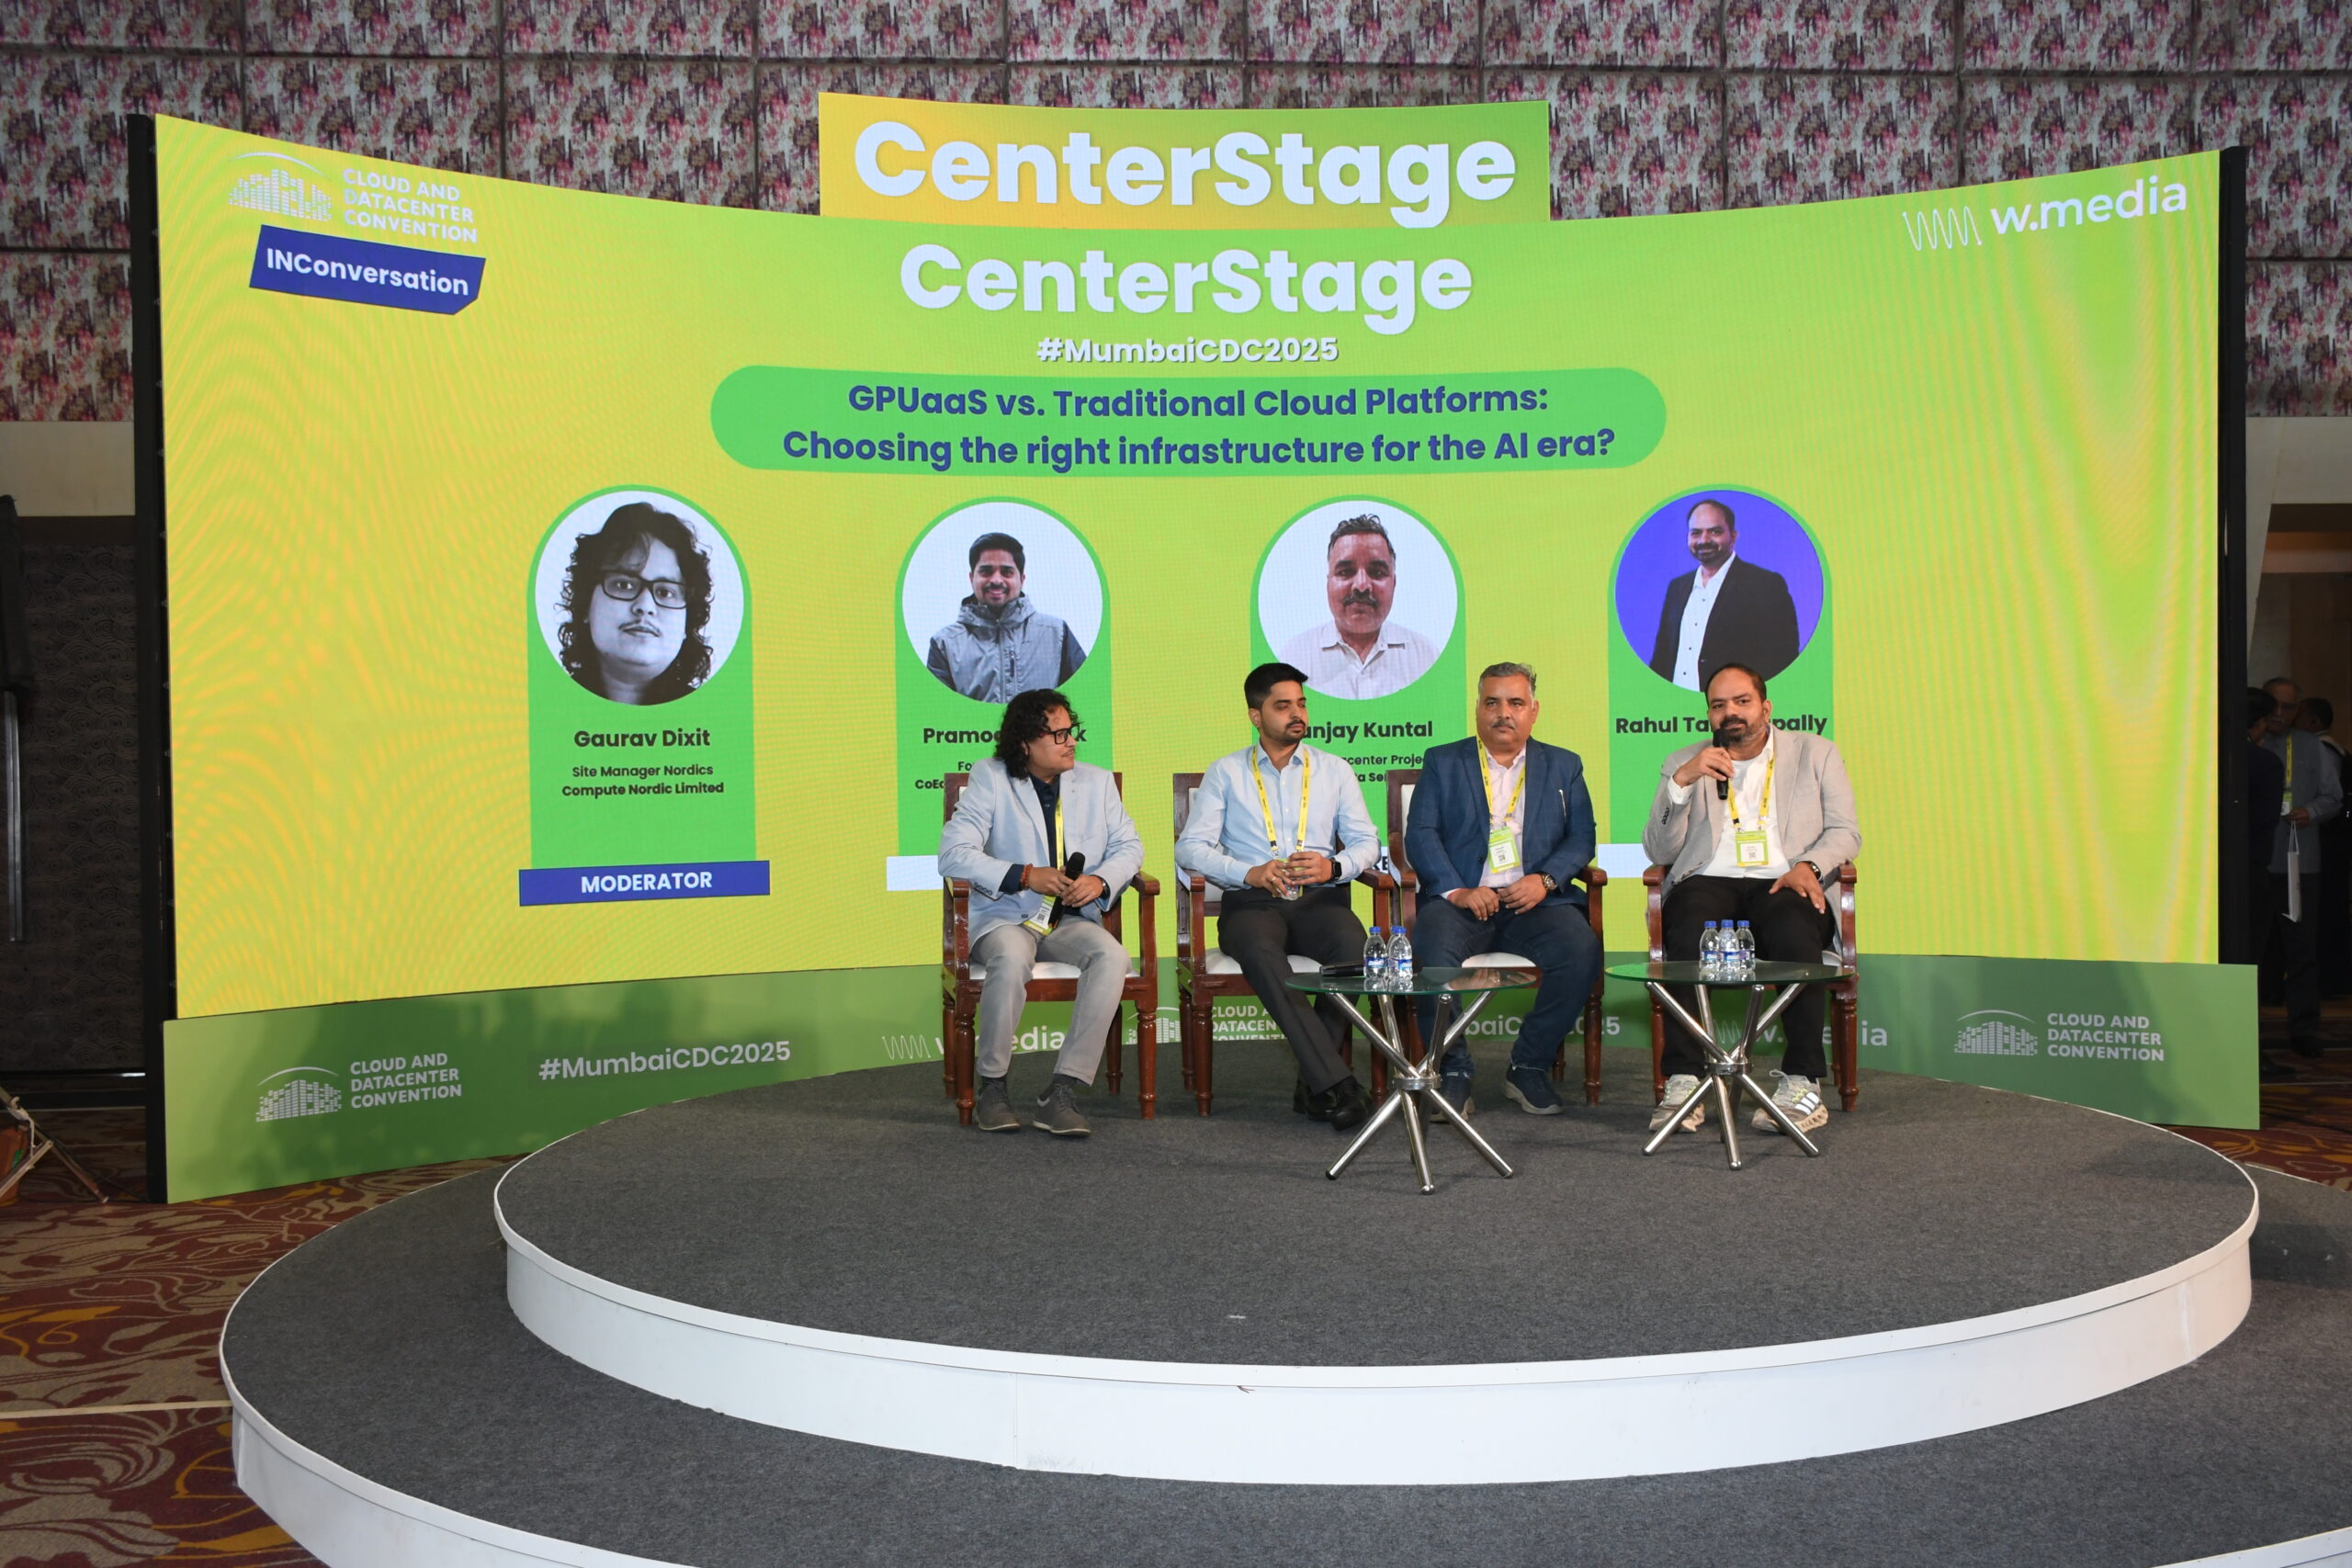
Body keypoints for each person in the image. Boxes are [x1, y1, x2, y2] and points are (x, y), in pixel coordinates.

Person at [1641, 663, 1860, 1135]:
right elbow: (1659, 852)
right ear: (1709, 715)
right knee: (1687, 923)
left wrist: (1810, 866)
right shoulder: (1685, 760)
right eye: (1718, 705)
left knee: (1793, 926)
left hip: (1785, 878)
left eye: (1742, 701)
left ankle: (1802, 1082)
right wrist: (1681, 784)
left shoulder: (1815, 753)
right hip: (1710, 878)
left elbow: (1845, 832)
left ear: (1766, 707)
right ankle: (1684, 1080)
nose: (1731, 713)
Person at [1176, 662, 1379, 1132]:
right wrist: (1248, 872)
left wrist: (1333, 867)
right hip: (1253, 903)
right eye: (1283, 705)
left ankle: (1319, 1084)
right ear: (1256, 715)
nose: (1297, 714)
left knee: (1353, 950)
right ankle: (1338, 1084)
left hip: (1320, 900)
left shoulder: (1335, 770)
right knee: (1262, 954)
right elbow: (1190, 847)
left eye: (1301, 704)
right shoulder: (1226, 772)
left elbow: (1366, 842)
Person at [937, 688, 1141, 1135]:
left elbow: (1129, 847)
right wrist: (1025, 875)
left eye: (1072, 731)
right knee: (1012, 957)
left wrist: (1100, 881)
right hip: (1006, 914)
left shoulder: (1097, 782)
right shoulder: (991, 778)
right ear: (1026, 742)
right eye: (1059, 734)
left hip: (1069, 918)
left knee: (1112, 956)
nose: (1071, 742)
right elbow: (953, 855)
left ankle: (1061, 1090)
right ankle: (993, 1086)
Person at [1404, 663, 1602, 1117]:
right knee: (1431, 953)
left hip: (1536, 902)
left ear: (1534, 710)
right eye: (1492, 702)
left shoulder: (1564, 765)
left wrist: (1545, 880)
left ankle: (1528, 1065)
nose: (1503, 713)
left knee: (1579, 951)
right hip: (1462, 903)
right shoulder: (1443, 761)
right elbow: (1421, 833)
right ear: (1477, 709)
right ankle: (1453, 1068)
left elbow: (1581, 838)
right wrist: (1456, 889)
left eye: (1515, 702)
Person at [558, 502, 718, 705]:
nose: (645, 606)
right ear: (586, 605)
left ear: (687, 621)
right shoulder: (546, 707)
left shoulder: (711, 715)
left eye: (665, 592)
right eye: (624, 585)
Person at [2262, 679, 2343, 1057]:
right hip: (2256, 865)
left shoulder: (2312, 746)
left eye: (2289, 707)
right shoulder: (2248, 743)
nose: (2281, 714)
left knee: (2301, 951)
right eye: (2275, 705)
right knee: (2253, 951)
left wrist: (2310, 811)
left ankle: (2304, 1028)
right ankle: (2243, 1029)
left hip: (2300, 865)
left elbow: (2333, 797)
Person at [1277, 513, 1440, 700]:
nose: (1361, 586)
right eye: (1345, 572)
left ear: (1393, 583)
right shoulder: (1293, 658)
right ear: (1328, 583)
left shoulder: (1426, 656)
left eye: (1377, 572)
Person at [1645, 498, 1802, 691]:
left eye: (1715, 531)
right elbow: (1662, 655)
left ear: (1733, 536)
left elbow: (1784, 656)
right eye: (1696, 533)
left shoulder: (1765, 585)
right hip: (1676, 705)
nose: (1704, 540)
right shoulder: (1677, 587)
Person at [925, 532, 1088, 703]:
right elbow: (937, 709)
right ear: (972, 578)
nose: (996, 580)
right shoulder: (945, 643)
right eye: (986, 571)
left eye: (1006, 572)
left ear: (1022, 579)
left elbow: (1085, 697)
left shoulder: (1057, 634)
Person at [2244, 688, 2292, 1080]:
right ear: (2258, 725)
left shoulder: (2202, 756)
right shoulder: (2264, 763)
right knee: (2249, 965)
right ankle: (2250, 1053)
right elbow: (2266, 820)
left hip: (2201, 873)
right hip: (2249, 873)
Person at [2299, 698, 2352, 998]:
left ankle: (2329, 980)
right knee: (2333, 908)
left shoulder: (2322, 750)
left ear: (2313, 721)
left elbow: (2331, 798)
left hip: (2327, 841)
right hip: (2337, 841)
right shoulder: (2339, 750)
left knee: (2326, 910)